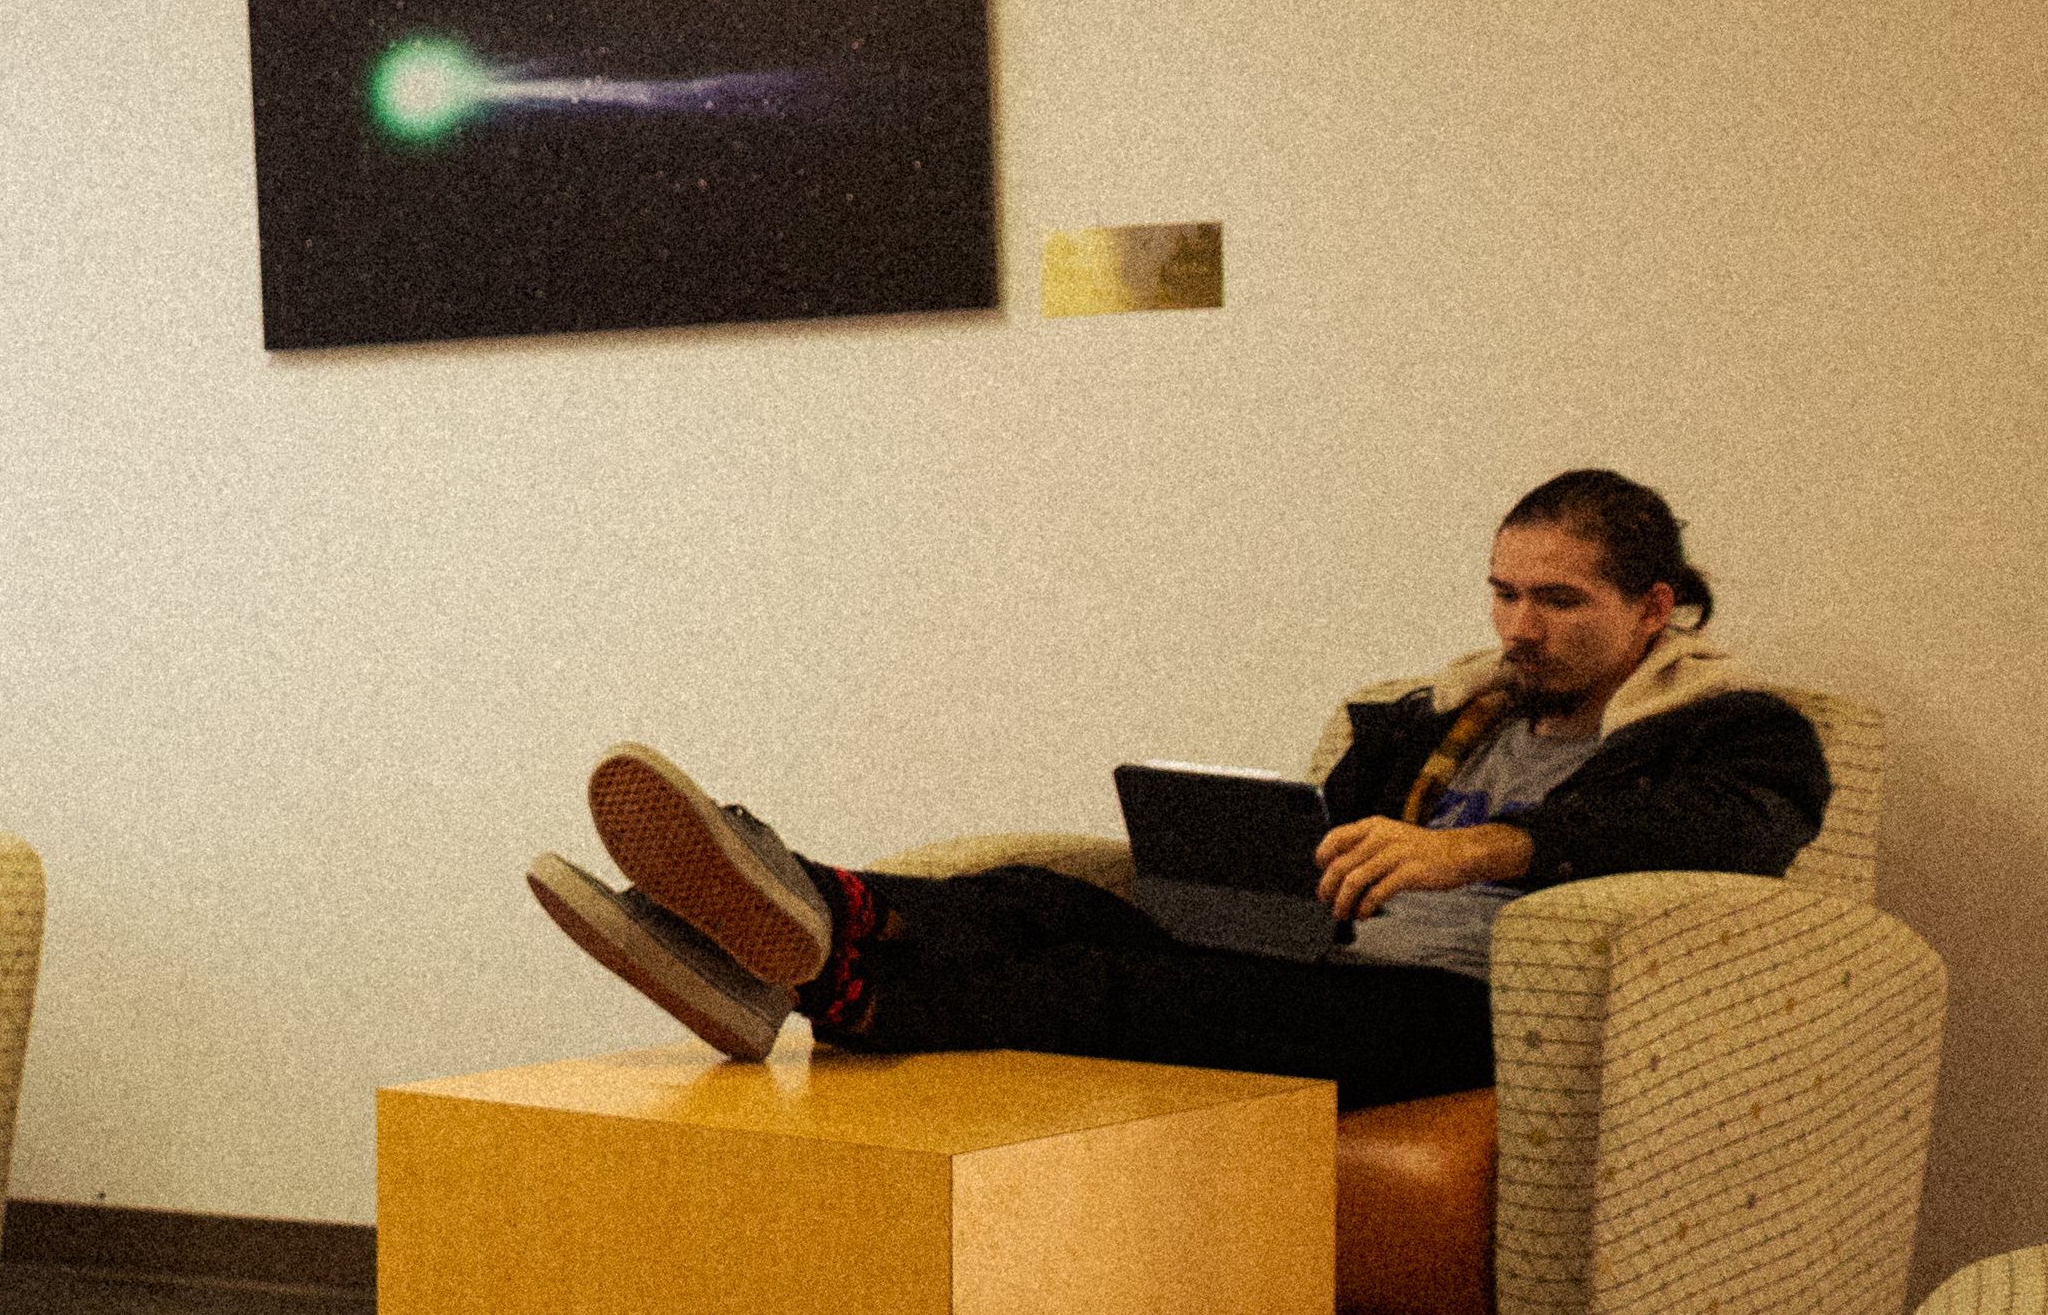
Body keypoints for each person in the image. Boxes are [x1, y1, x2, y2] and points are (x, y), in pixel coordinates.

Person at [524, 467, 1828, 1101]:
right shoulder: (1438, 717)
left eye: (1560, 599)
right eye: (1503, 589)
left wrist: (1473, 852)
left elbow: (1722, 837)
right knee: (1036, 893)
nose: (1518, 624)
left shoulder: (1735, 731)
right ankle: (772, 902)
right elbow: (1316, 845)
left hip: (1457, 1015)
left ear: (1653, 607)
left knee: (1110, 985)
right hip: (1328, 961)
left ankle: (796, 976)